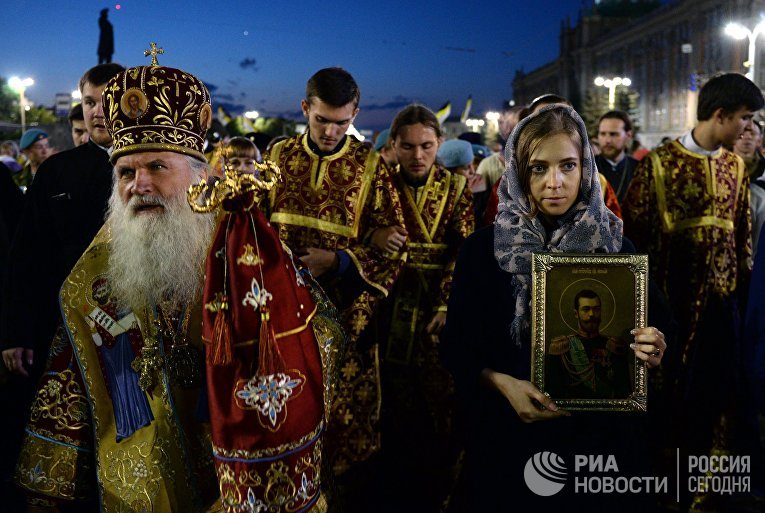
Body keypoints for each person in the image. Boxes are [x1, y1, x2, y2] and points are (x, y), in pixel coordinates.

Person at [10, 59, 220, 512]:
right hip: (132, 477)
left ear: (196, 176)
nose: (139, 184)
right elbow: (71, 382)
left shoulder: (242, 252)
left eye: (158, 166)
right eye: (125, 172)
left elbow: (311, 340)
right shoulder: (92, 278)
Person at [441, 105, 666, 512]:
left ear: (586, 169)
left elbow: (656, 331)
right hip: (508, 440)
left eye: (568, 165)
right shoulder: (483, 251)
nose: (555, 183)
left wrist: (652, 347)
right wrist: (502, 383)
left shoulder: (617, 248)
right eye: (538, 168)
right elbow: (456, 347)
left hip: (598, 447)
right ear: (517, 172)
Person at [623, 72, 763, 510]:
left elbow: (741, 237)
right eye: (744, 118)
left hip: (724, 313)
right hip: (672, 311)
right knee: (672, 407)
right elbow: (636, 243)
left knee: (718, 401)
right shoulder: (658, 164)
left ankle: (708, 492)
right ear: (720, 115)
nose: (748, 129)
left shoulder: (735, 166)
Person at [267, 67, 406, 476]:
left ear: (356, 115)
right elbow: (253, 231)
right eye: (321, 120)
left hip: (345, 316)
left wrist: (341, 262)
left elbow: (396, 249)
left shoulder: (370, 166)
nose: (330, 132)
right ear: (305, 108)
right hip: (277, 310)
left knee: (337, 424)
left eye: (342, 122)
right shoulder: (278, 157)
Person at [0, 63, 124, 510]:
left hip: (135, 340)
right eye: (89, 102)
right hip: (60, 334)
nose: (97, 112)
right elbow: (26, 258)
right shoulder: (56, 173)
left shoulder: (149, 169)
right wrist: (15, 333)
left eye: (107, 100)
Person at [369, 106, 474, 511]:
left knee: (439, 405)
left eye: (427, 146)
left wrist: (448, 302)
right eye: (408, 146)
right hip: (387, 303)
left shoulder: (457, 189)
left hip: (437, 309)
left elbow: (464, 249)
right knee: (391, 403)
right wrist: (377, 235)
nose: (417, 156)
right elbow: (362, 233)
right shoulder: (378, 185)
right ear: (393, 146)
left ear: (439, 145)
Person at [547, 289, 631, 399]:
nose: (591, 314)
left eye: (596, 309)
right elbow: (554, 393)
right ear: (576, 313)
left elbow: (624, 393)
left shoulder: (615, 346)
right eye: (586, 309)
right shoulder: (561, 347)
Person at [438, 138, 488, 224]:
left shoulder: (480, 188)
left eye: (472, 164)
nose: (472, 171)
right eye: (466, 168)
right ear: (449, 172)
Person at [595, 110, 638, 202]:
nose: (607, 140)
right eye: (603, 134)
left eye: (613, 134)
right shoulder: (588, 167)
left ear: (628, 135)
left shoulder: (639, 168)